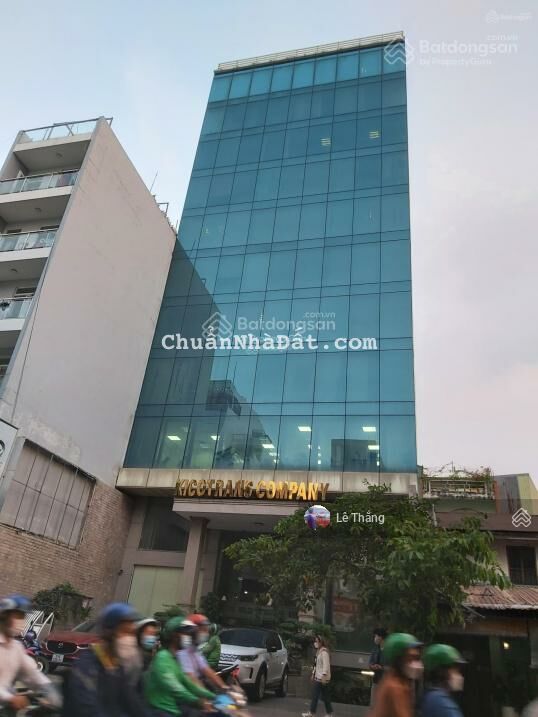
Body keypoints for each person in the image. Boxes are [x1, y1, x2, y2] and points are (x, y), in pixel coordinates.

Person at [63, 601, 148, 717]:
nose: (130, 639)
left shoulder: (116, 666)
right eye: (125, 632)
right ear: (108, 632)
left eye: (132, 633)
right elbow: (88, 709)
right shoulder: (86, 666)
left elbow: (133, 703)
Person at [0, 594, 61, 713]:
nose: (21, 622)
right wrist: (10, 698)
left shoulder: (16, 648)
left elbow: (31, 673)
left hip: (7, 708)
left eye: (23, 617)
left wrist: (48, 689)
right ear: (4, 616)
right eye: (18, 616)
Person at [145, 617, 215, 717]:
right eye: (185, 634)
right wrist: (198, 702)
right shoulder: (162, 657)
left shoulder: (175, 659)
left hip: (173, 710)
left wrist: (213, 696)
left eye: (190, 635)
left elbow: (189, 684)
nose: (189, 637)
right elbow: (176, 688)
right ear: (174, 635)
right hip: (160, 711)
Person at [369, 632, 423, 717]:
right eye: (411, 657)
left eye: (417, 658)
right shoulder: (395, 687)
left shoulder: (403, 683)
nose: (416, 664)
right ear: (398, 659)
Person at [180, 614, 227, 692]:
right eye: (203, 630)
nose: (206, 633)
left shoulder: (194, 651)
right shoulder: (183, 652)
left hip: (211, 664)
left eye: (207, 630)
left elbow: (207, 670)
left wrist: (225, 687)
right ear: (192, 631)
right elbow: (192, 678)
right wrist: (208, 695)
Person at [421, 644, 465, 717]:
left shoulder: (435, 696)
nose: (459, 675)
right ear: (440, 671)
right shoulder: (438, 700)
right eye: (455, 670)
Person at [302, 635, 332, 717]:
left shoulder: (324, 652)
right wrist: (313, 673)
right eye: (314, 641)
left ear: (321, 642)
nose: (315, 643)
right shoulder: (318, 652)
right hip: (318, 677)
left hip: (322, 678)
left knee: (319, 696)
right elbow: (315, 664)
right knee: (322, 696)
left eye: (316, 641)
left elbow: (326, 665)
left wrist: (324, 675)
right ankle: (326, 713)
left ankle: (313, 713)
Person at [369, 628, 388, 705]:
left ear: (381, 637)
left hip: (386, 682)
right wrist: (373, 666)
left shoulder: (389, 651)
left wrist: (382, 668)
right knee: (373, 704)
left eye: (376, 636)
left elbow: (393, 667)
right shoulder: (375, 649)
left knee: (384, 704)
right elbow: (370, 663)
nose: (375, 638)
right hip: (376, 680)